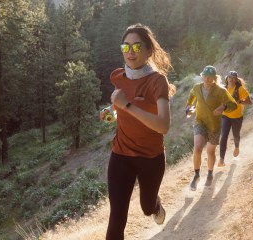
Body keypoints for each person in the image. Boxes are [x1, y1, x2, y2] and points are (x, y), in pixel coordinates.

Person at [99, 23, 175, 240]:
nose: (130, 52)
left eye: (136, 47)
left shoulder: (157, 81)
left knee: (146, 207)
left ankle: (155, 204)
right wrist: (111, 112)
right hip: (121, 154)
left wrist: (127, 106)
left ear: (149, 51)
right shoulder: (118, 77)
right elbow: (120, 107)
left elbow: (164, 126)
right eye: (125, 47)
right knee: (117, 216)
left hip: (150, 157)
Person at [185, 65, 237, 191]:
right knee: (197, 148)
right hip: (200, 121)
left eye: (210, 77)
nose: (207, 79)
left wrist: (223, 107)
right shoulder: (196, 87)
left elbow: (233, 105)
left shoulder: (220, 91)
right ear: (202, 76)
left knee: (210, 152)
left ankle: (209, 173)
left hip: (214, 125)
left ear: (214, 78)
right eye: (205, 76)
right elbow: (191, 97)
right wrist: (189, 109)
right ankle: (196, 175)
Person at [218, 70, 252, 167]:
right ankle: (221, 160)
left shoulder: (240, 89)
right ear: (227, 78)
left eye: (233, 78)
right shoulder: (224, 89)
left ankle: (237, 147)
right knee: (224, 136)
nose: (231, 80)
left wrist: (240, 101)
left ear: (236, 80)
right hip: (226, 116)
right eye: (230, 77)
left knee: (236, 135)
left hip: (237, 117)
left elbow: (249, 101)